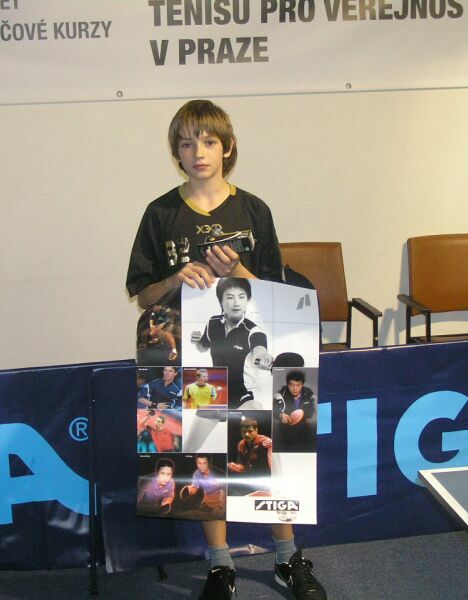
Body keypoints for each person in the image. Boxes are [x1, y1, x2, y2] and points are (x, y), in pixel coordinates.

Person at [126, 99, 326, 600]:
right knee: (206, 456)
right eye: (187, 143)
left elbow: (276, 292)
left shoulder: (254, 210)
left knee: (270, 451)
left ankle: (287, 558)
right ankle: (220, 564)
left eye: (209, 142)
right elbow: (143, 295)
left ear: (227, 148)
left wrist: (237, 272)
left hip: (252, 361)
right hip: (192, 362)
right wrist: (177, 277)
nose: (198, 152)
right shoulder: (160, 213)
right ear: (176, 152)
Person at [191, 278, 273, 408]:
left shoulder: (254, 331)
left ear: (247, 301)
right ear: (221, 301)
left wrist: (263, 358)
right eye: (230, 297)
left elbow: (259, 353)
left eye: (241, 297)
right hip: (218, 392)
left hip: (243, 394)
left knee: (254, 408)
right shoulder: (213, 323)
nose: (236, 303)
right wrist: (197, 341)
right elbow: (203, 348)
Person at [274, 370, 317, 451]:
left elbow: (311, 410)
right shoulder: (280, 394)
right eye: (291, 385)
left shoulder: (308, 393)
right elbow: (275, 409)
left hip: (304, 429)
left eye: (298, 385)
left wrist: (304, 415)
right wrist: (280, 414)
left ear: (302, 385)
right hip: (286, 430)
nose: (294, 389)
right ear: (287, 385)